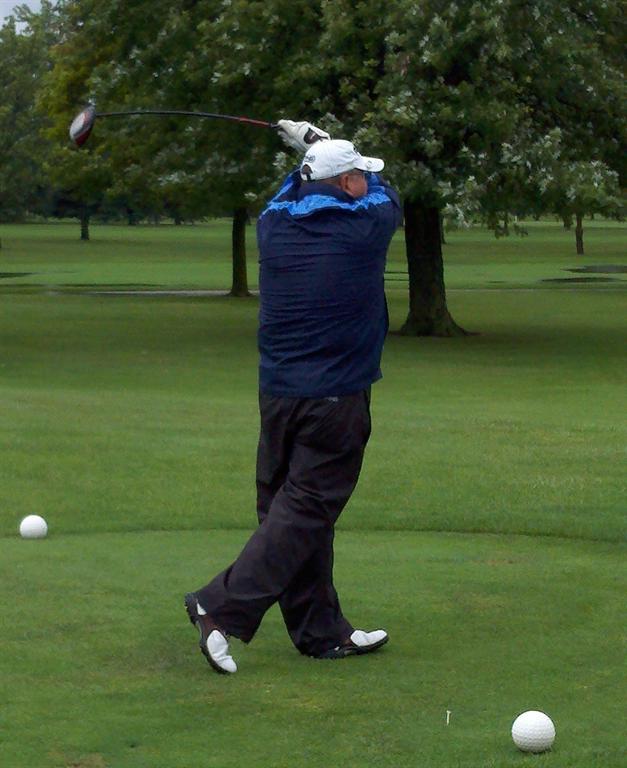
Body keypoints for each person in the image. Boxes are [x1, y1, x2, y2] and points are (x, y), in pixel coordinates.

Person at [184, 119, 402, 674]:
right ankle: (219, 606)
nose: (367, 179)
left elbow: (291, 191)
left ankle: (321, 631)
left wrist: (308, 156)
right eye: (359, 173)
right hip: (336, 396)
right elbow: (388, 196)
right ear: (347, 183)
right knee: (306, 509)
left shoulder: (274, 224)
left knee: (292, 509)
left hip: (278, 394)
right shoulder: (365, 226)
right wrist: (320, 144)